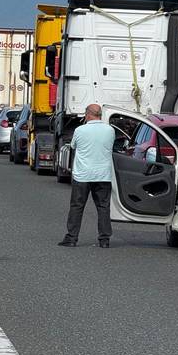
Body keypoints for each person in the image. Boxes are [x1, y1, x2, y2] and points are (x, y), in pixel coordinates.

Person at [58, 103, 115, 248]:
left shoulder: (80, 130)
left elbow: (73, 146)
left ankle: (71, 238)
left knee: (77, 206)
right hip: (103, 175)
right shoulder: (110, 130)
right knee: (103, 206)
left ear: (88, 114)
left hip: (82, 175)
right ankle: (104, 240)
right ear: (100, 115)